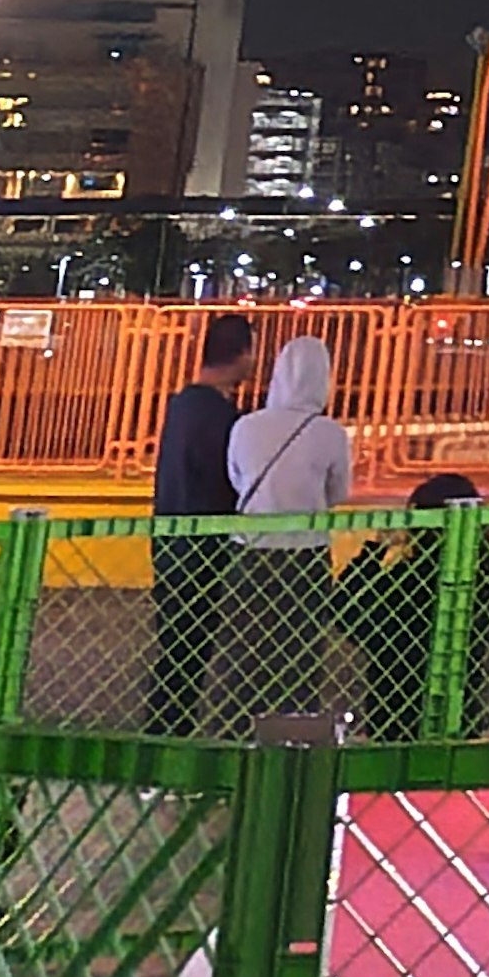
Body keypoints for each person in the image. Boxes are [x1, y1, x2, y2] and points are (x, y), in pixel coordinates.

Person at [336, 472, 489, 741]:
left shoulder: (400, 584)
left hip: (392, 713)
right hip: (461, 714)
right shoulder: (480, 587)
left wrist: (374, 550)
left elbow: (345, 610)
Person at [219, 332, 351, 717]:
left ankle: (240, 736)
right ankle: (294, 736)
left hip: (249, 552)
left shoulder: (246, 426)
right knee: (300, 656)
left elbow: (237, 478)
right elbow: (338, 492)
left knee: (244, 656)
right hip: (305, 557)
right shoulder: (329, 433)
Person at [146, 311, 257, 729]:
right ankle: (169, 736)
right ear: (243, 354)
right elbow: (226, 478)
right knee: (187, 653)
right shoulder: (218, 416)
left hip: (172, 542)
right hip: (201, 550)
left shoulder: (183, 405)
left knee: (178, 649)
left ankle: (168, 732)